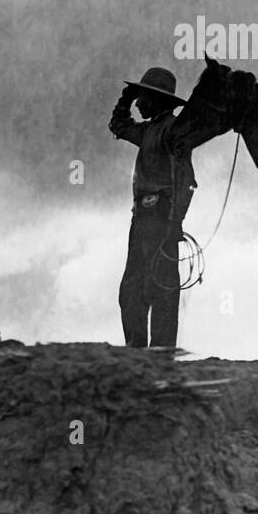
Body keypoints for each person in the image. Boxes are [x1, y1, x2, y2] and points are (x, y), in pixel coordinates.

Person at [108, 66, 205, 349]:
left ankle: (161, 353)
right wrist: (125, 98)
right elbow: (119, 125)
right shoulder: (150, 129)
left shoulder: (173, 130)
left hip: (162, 217)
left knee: (160, 287)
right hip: (142, 218)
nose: (139, 104)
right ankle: (137, 350)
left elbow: (186, 181)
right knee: (132, 289)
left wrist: (175, 222)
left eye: (143, 98)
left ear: (157, 100)